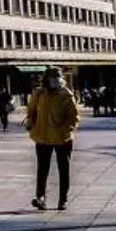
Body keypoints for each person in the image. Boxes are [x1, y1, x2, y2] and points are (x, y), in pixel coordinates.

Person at [27, 67, 81, 211]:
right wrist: (30, 124)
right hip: (42, 137)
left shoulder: (66, 94)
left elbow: (74, 117)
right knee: (42, 169)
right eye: (53, 79)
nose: (56, 81)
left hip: (62, 139)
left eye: (58, 78)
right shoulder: (39, 94)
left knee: (64, 169)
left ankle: (63, 199)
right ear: (47, 80)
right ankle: (40, 198)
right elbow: (31, 112)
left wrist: (64, 130)